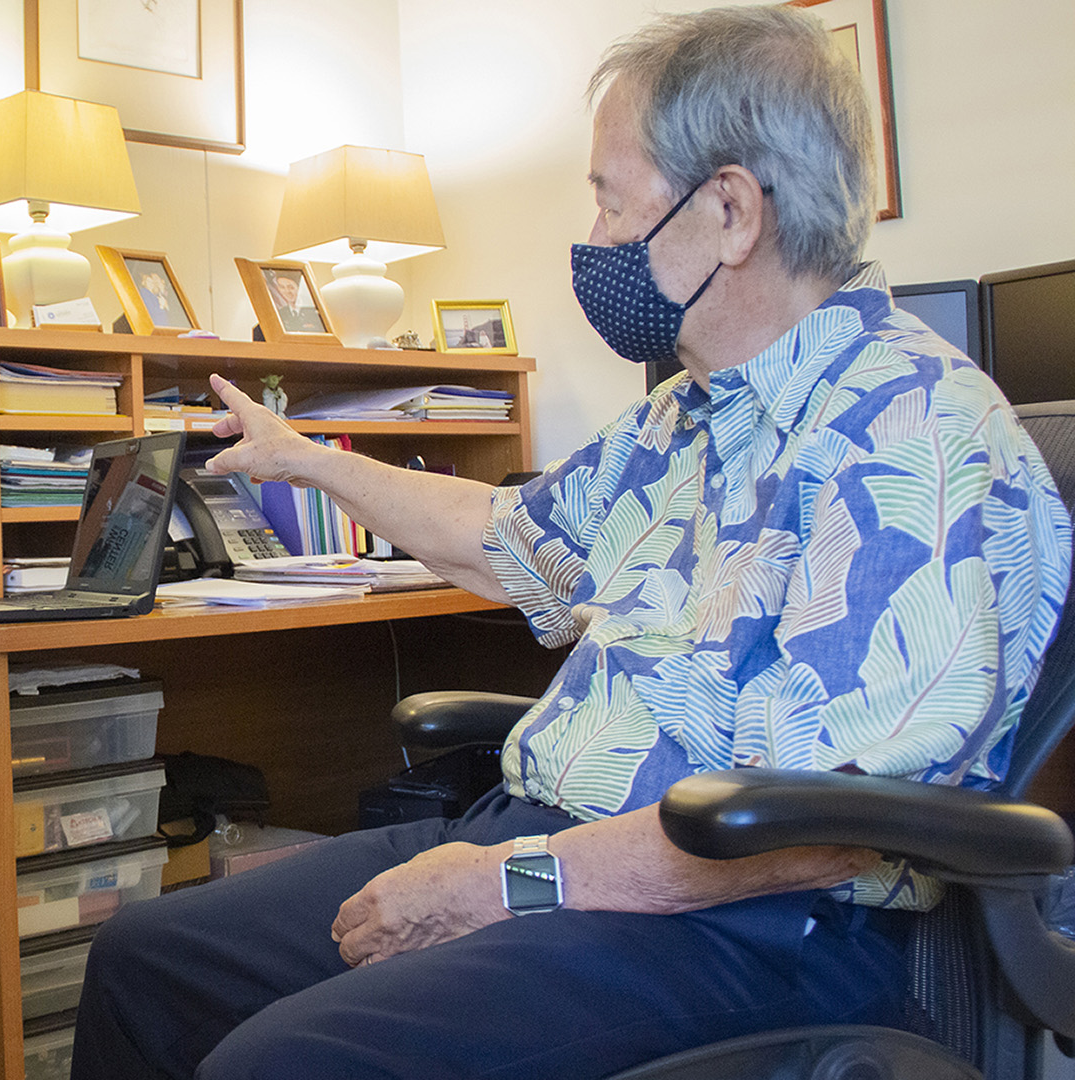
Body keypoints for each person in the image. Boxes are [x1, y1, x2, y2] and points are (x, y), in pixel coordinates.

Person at [71, 8, 1072, 1079]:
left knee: (283, 1063)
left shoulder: (915, 439)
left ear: (729, 210)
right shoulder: (684, 417)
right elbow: (505, 539)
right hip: (553, 844)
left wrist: (499, 883)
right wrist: (304, 458)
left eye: (608, 196)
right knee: (148, 957)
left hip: (752, 923)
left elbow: (818, 829)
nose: (593, 238)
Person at [265, 268, 325, 333]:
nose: (287, 291)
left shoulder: (315, 313)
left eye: (291, 287)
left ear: (299, 288)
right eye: (282, 287)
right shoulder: (280, 313)